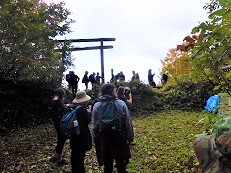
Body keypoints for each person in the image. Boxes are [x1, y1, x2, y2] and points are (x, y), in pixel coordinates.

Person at [92, 83, 134, 173]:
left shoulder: (96, 105)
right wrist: (130, 136)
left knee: (107, 165)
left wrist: (95, 138)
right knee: (121, 164)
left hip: (104, 138)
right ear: (111, 91)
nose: (116, 91)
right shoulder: (121, 103)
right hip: (119, 137)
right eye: (115, 90)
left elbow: (95, 125)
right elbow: (127, 121)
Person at [69, 90, 92, 173]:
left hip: (73, 135)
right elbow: (88, 120)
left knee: (74, 154)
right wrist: (89, 113)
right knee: (80, 157)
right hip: (81, 136)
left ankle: (74, 170)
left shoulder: (72, 107)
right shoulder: (82, 109)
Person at [49, 88, 68, 165]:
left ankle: (56, 156)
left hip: (56, 122)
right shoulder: (58, 101)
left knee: (60, 139)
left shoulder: (54, 100)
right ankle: (58, 159)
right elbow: (64, 110)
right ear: (61, 94)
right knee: (61, 140)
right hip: (60, 122)